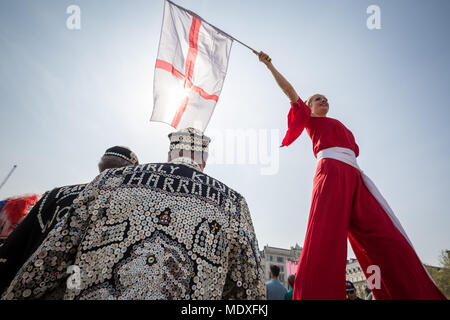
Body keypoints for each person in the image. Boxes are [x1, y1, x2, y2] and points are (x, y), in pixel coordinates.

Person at [256, 51, 447, 300]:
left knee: (385, 234)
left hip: (355, 178)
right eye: (317, 98)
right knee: (326, 235)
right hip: (331, 174)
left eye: (325, 98)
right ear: (309, 106)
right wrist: (269, 65)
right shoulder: (311, 121)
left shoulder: (342, 127)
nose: (323, 100)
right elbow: (289, 90)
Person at [2, 128, 265, 300]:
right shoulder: (234, 203)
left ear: (170, 155)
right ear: (204, 162)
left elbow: (49, 261)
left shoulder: (109, 181)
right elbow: (249, 293)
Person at [0, 146, 139, 294]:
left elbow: (14, 244)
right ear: (129, 173)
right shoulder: (122, 206)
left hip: (23, 290)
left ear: (102, 165)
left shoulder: (54, 194)